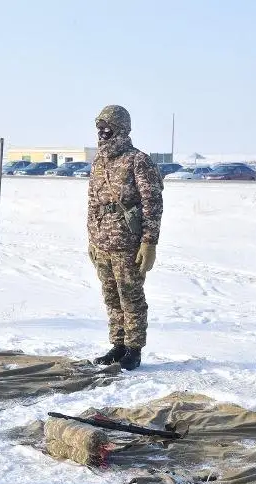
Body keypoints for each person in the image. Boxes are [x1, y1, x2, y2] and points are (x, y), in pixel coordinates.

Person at [87, 105, 164, 370]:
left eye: (108, 127)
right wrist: (92, 238)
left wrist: (148, 242)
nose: (102, 132)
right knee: (111, 296)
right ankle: (117, 345)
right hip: (103, 242)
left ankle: (134, 348)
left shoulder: (137, 160)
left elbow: (152, 202)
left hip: (127, 243)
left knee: (130, 296)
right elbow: (93, 202)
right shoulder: (99, 161)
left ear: (121, 128)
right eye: (100, 127)